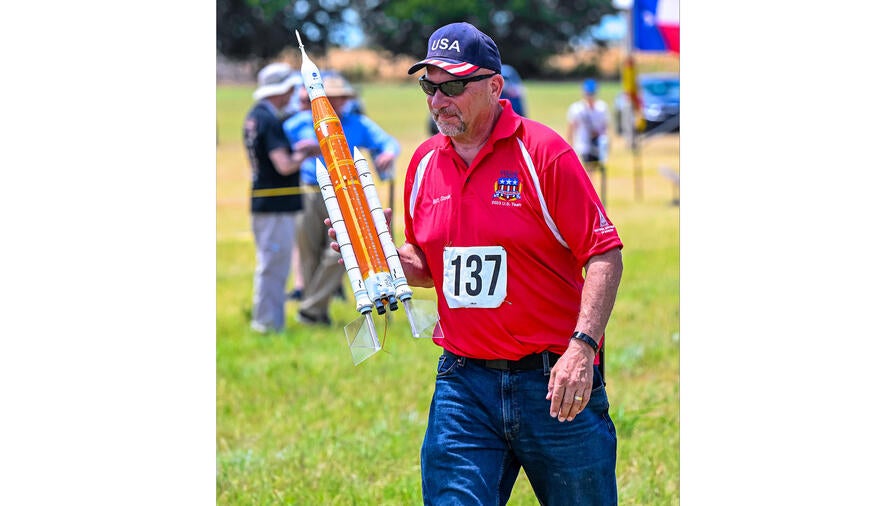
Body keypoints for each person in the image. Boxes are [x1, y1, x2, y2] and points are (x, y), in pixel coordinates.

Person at [352, 22, 624, 505]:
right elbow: (427, 265)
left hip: (554, 382)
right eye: (429, 87)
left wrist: (582, 349)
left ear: (495, 87)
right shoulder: (424, 164)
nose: (438, 100)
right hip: (464, 384)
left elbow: (603, 252)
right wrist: (376, 252)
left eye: (453, 85)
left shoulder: (544, 153)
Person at [284, 73, 400, 325]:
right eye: (331, 98)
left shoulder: (358, 123)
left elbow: (388, 142)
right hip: (308, 191)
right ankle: (317, 311)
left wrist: (388, 154)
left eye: (340, 98)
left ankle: (310, 308)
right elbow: (278, 149)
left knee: (339, 253)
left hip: (346, 194)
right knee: (308, 250)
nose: (335, 103)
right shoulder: (298, 123)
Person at [243, 62, 305, 333]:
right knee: (273, 266)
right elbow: (284, 164)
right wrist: (305, 153)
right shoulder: (269, 120)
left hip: (264, 200)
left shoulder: (254, 116)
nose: (291, 94)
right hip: (275, 205)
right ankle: (267, 323)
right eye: (289, 89)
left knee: (271, 263)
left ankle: (269, 320)